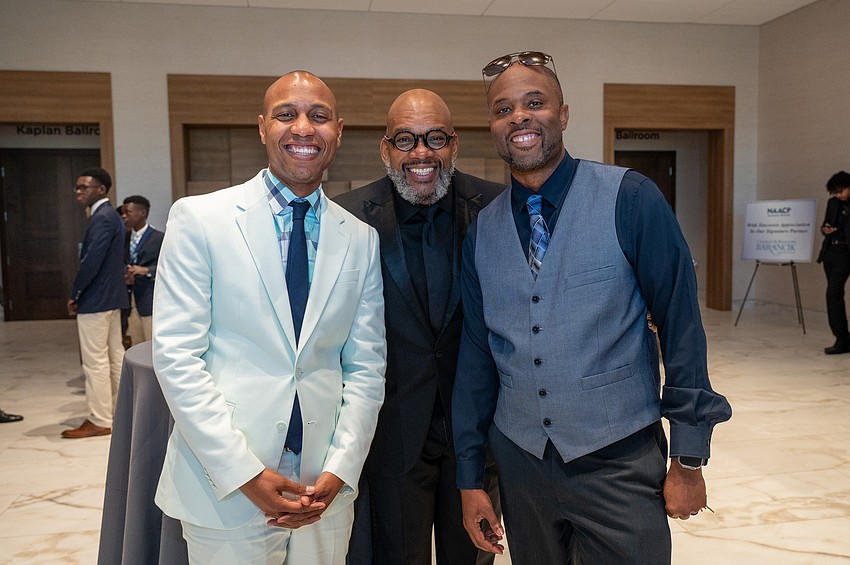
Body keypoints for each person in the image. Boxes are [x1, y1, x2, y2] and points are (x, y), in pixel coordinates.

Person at [452, 51, 733, 563]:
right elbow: (476, 358)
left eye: (535, 102)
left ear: (562, 114)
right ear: (492, 126)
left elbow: (681, 327)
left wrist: (688, 457)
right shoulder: (482, 232)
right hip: (522, 463)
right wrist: (471, 477)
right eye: (503, 108)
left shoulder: (631, 198)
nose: (519, 117)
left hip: (618, 462)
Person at [152, 70, 387, 565]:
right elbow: (177, 359)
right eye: (287, 114)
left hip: (322, 487)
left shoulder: (360, 238)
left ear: (338, 131)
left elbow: (365, 367)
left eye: (318, 116)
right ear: (262, 127)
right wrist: (245, 474)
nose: (303, 128)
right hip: (227, 485)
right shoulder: (201, 220)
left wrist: (341, 469)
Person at [336, 89, 503, 565]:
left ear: (454, 145)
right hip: (391, 435)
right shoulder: (348, 217)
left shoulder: (496, 208)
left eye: (435, 138)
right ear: (385, 149)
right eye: (406, 140)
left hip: (477, 433)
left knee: (472, 557)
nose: (421, 153)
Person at [64, 167, 129, 439]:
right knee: (115, 358)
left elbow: (92, 261)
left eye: (84, 187)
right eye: (77, 187)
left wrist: (76, 293)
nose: (78, 192)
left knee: (96, 362)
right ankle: (117, 413)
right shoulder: (111, 216)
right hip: (112, 298)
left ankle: (100, 419)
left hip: (97, 299)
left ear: (100, 189)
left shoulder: (101, 218)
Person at [122, 195, 164, 345]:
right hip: (130, 298)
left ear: (142, 213)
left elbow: (166, 267)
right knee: (136, 346)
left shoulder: (159, 238)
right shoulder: (124, 238)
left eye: (128, 212)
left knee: (151, 344)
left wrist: (146, 270)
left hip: (150, 298)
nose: (124, 216)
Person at [817, 171, 850, 354]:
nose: (838, 195)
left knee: (833, 293)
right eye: (835, 192)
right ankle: (842, 338)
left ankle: (843, 339)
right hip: (831, 253)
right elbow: (826, 224)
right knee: (834, 295)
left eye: (841, 191)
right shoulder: (833, 203)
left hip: (846, 253)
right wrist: (825, 229)